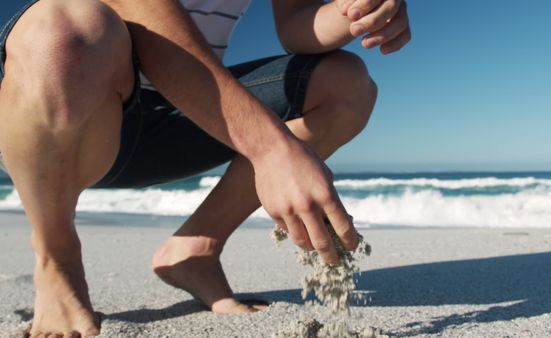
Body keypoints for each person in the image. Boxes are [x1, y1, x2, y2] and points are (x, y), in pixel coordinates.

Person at [0, 0, 411, 336]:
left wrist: (357, 11)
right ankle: (57, 258)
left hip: (187, 111)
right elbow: (141, 11)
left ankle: (196, 248)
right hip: (70, 116)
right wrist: (270, 148)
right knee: (63, 31)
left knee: (345, 84)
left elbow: (296, 25)